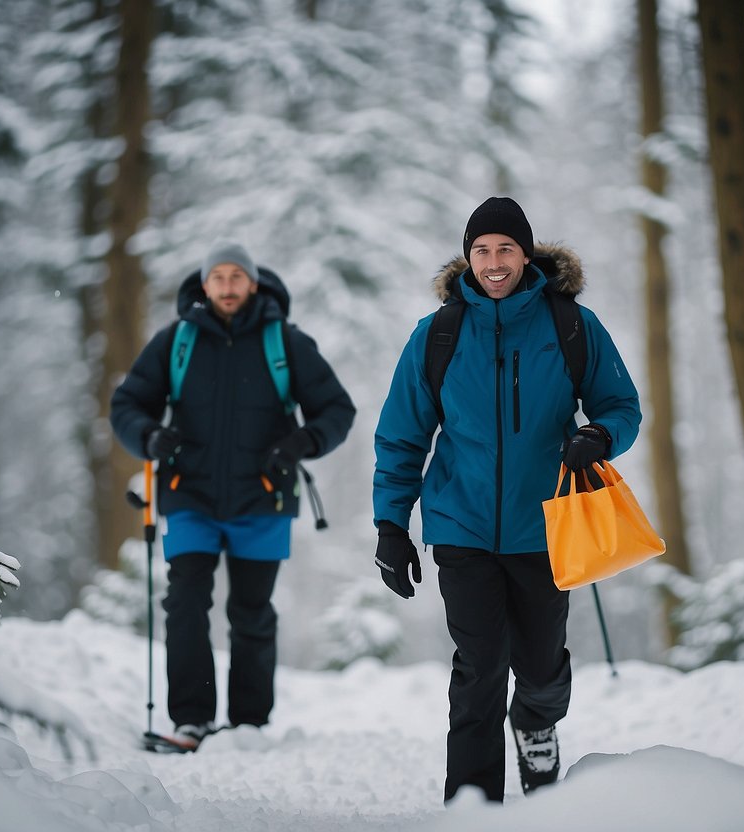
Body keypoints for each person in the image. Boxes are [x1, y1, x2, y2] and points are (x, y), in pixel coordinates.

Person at [372, 197, 642, 802]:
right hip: (460, 525)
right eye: (481, 250)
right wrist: (392, 525)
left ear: (526, 254)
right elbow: (401, 435)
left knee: (542, 664)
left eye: (505, 249)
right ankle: (471, 805)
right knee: (479, 668)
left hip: (548, 524)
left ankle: (537, 724)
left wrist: (598, 436)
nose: (493, 262)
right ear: (468, 257)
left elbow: (622, 406)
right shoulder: (437, 334)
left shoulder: (571, 324)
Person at [112, 242, 355, 747]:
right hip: (189, 496)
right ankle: (192, 720)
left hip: (262, 500)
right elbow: (128, 403)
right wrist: (149, 437)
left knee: (251, 612)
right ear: (205, 284)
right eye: (217, 277)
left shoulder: (283, 341)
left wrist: (300, 442)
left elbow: (336, 409)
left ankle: (248, 725)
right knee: (184, 603)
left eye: (235, 277)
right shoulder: (176, 341)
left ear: (252, 282)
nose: (226, 286)